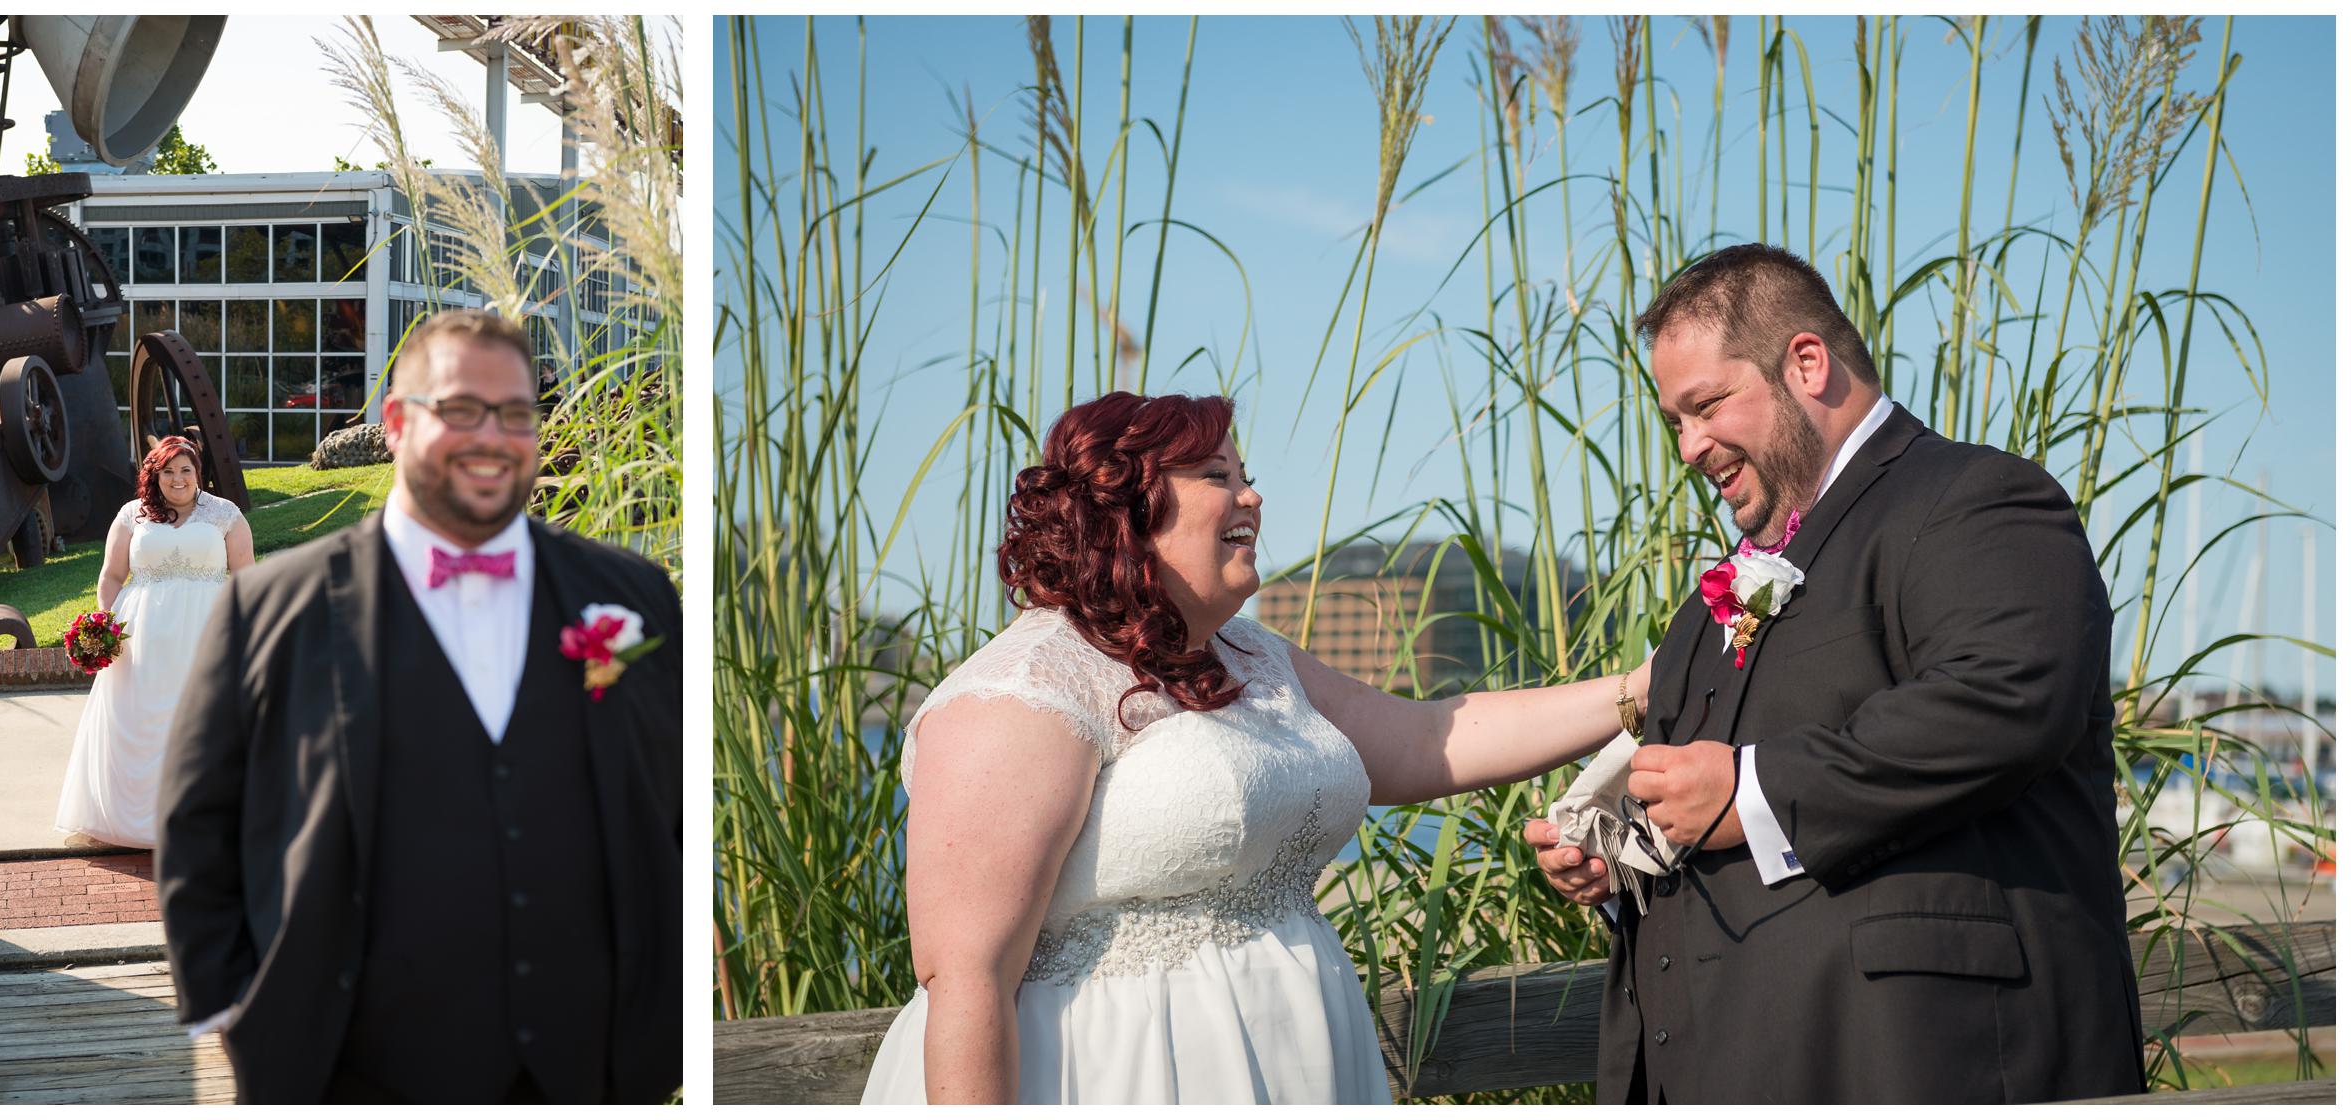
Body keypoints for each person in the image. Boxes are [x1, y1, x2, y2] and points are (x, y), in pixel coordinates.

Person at [859, 391, 1649, 1105]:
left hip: (1297, 1060)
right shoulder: (1023, 690)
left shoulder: (1251, 655)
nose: (1253, 495)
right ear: (1126, 510)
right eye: (1215, 474)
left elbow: (1426, 740)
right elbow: (966, 981)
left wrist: (1642, 688)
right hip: (1119, 1078)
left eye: (1245, 473)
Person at [1525, 244, 2141, 1103]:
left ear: (1806, 364)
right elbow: (1719, 806)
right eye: (1674, 421)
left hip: (1925, 1068)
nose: (1689, 446)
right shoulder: (1715, 600)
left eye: (1705, 406)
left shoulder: (1976, 497)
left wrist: (1748, 792)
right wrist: (1626, 857)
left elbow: (2003, 701)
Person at [154, 308, 682, 1104]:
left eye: (517, 414)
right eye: (462, 410)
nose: (494, 437)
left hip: (596, 1071)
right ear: (396, 423)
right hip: (351, 1074)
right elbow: (197, 826)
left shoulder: (633, 596)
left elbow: (675, 809)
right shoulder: (269, 611)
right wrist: (240, 1011)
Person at [53, 437, 253, 849]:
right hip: (140, 635)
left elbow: (248, 578)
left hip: (208, 634)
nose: (178, 479)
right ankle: (134, 823)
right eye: (168, 471)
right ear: (154, 474)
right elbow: (111, 575)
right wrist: (103, 623)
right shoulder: (132, 516)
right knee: (137, 719)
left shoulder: (225, 515)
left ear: (198, 473)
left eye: (186, 470)